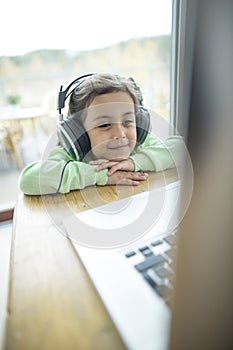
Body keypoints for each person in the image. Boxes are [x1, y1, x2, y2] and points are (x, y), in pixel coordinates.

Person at [18, 73, 184, 195]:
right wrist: (100, 175)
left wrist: (135, 162)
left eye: (128, 121)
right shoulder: (72, 152)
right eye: (104, 125)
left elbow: (183, 148)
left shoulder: (140, 144)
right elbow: (29, 179)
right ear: (78, 132)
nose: (120, 134)